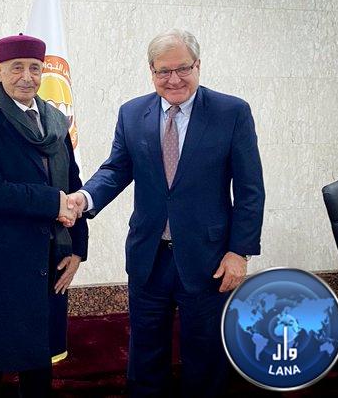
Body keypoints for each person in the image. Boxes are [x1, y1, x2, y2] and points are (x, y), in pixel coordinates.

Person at [65, 29, 265, 397]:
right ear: (151, 71)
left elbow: (251, 190)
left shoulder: (231, 112)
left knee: (205, 357)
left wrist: (240, 251)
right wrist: (84, 198)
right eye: (163, 71)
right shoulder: (132, 113)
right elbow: (116, 169)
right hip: (148, 255)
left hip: (210, 259)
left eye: (183, 68)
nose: (173, 79)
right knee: (145, 355)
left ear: (198, 66)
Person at [0, 34, 89, 397]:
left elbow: (72, 185)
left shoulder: (55, 119)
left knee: (38, 367)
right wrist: (53, 203)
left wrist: (77, 248)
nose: (27, 76)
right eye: (17, 67)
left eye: (35, 68)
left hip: (48, 262)